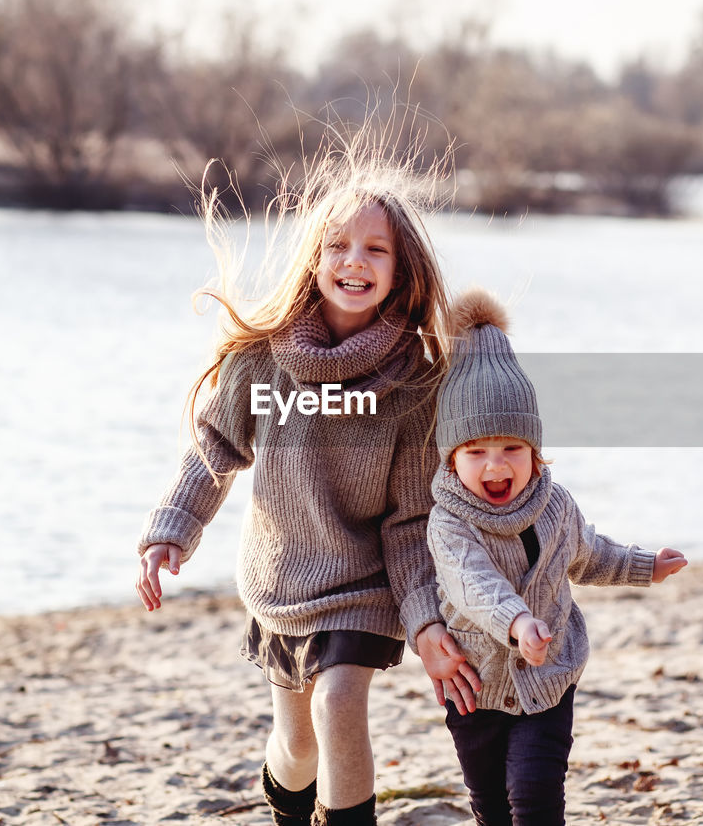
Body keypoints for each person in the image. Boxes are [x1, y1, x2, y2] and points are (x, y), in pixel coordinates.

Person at [134, 143, 481, 826]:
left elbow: (411, 522)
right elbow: (215, 447)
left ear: (402, 268)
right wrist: (170, 532)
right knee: (296, 749)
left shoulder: (414, 383)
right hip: (282, 579)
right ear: (315, 258)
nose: (356, 261)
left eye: (376, 250)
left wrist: (426, 619)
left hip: (363, 587)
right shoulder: (262, 358)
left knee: (337, 703)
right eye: (339, 245)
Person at [428, 289, 688, 826]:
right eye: (476, 451)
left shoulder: (554, 503)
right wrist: (518, 622)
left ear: (535, 450)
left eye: (512, 449)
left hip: (549, 681)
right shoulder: (449, 521)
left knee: (536, 797)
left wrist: (646, 565)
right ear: (452, 457)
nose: (495, 466)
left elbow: (587, 553)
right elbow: (471, 584)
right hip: (475, 688)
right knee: (492, 806)